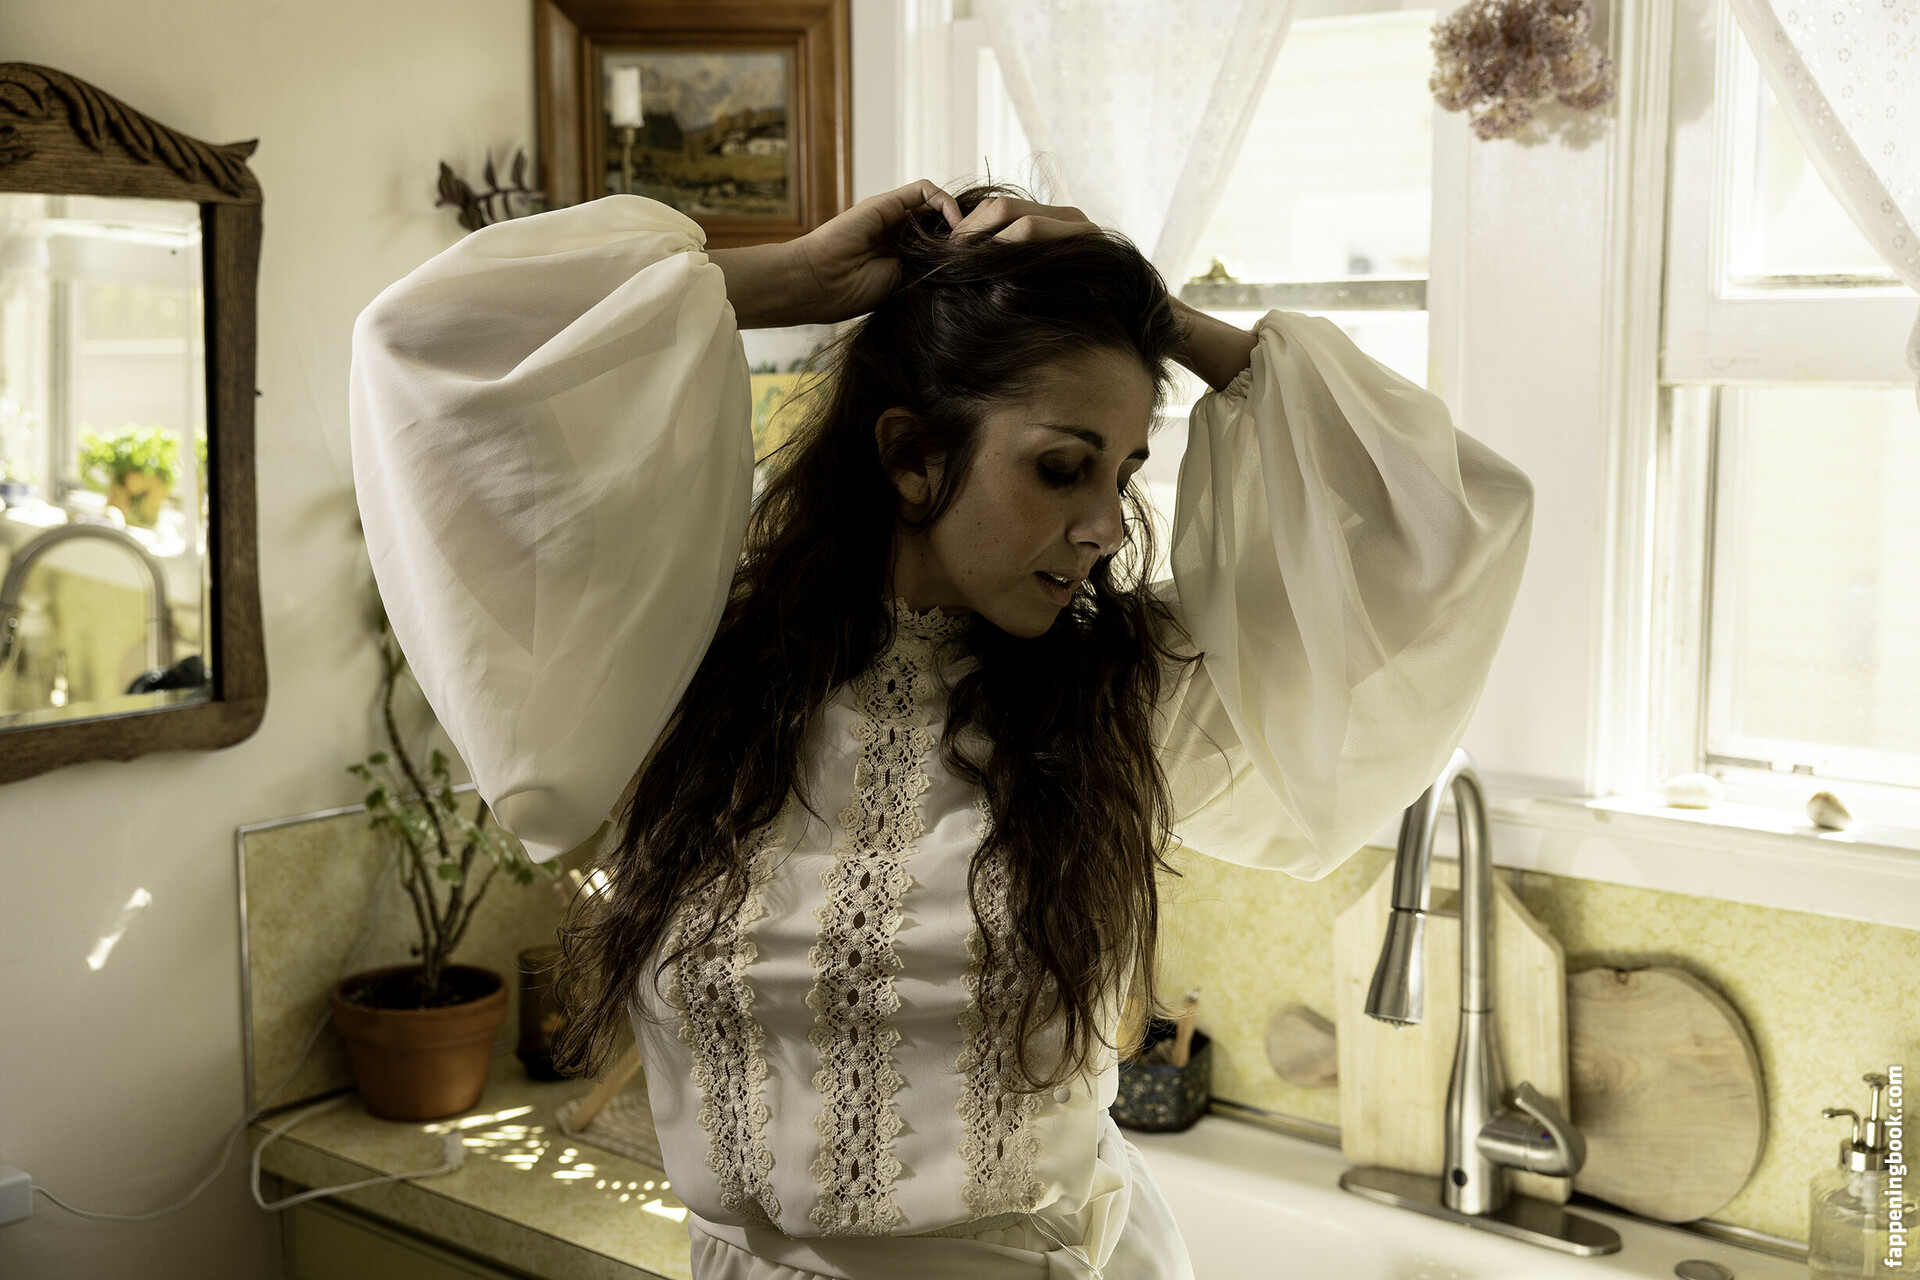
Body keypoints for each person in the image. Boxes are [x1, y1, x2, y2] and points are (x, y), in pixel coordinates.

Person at [348, 179, 1533, 1279]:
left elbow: (1447, 525)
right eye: (1062, 468)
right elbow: (426, 348)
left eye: (1123, 473)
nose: (1105, 525)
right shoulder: (690, 672)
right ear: (913, 457)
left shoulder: (1135, 692)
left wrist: (1155, 314)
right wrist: (792, 282)